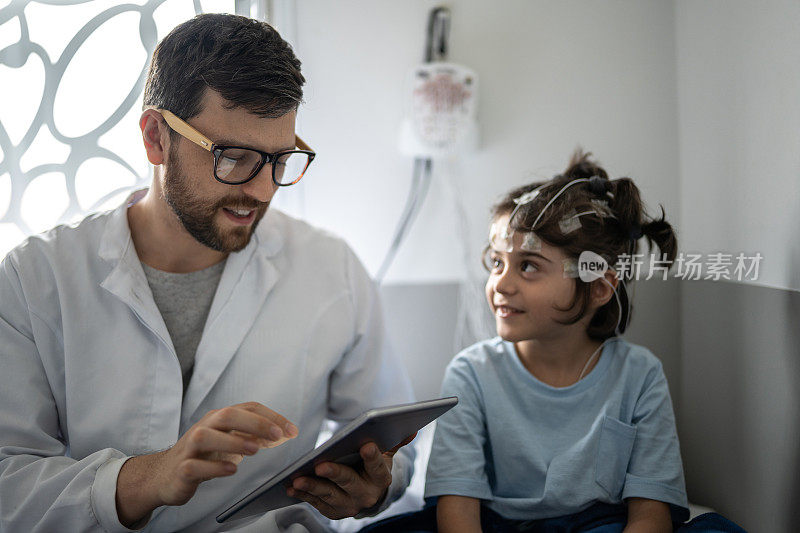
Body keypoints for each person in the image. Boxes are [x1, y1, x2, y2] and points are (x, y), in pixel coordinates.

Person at [0, 14, 415, 533]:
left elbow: (392, 448)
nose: (263, 191)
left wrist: (374, 486)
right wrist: (147, 478)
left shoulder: (333, 271)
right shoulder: (34, 278)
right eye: (235, 157)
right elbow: (7, 483)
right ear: (155, 138)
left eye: (280, 159)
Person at [417, 152, 746, 532]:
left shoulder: (639, 375)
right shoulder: (471, 373)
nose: (501, 285)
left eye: (528, 266)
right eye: (497, 263)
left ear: (600, 286)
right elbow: (457, 510)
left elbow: (650, 513)